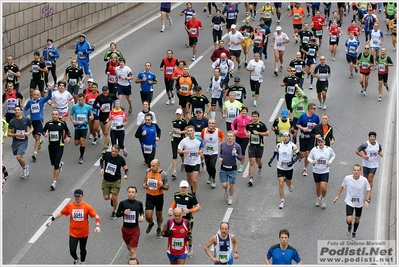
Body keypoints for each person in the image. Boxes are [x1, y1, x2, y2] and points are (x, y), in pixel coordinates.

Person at [46, 189, 101, 265]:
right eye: (75, 196)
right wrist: (51, 220)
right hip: (73, 233)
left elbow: (96, 216)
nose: (77, 198)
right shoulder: (70, 206)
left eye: (79, 196)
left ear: (82, 196)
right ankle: (76, 259)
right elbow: (61, 213)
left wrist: (97, 226)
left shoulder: (86, 206)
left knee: (83, 249)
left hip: (83, 233)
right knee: (72, 250)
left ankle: (82, 262)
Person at [333, 164, 371, 241]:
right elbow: (342, 186)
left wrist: (367, 200)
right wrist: (338, 196)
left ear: (360, 171)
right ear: (352, 171)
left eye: (358, 170)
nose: (356, 172)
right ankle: (349, 226)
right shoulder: (347, 178)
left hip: (359, 203)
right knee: (349, 220)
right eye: (355, 170)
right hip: (349, 201)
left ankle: (354, 232)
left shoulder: (364, 180)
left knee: (357, 220)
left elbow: (368, 189)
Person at [168, 180, 201, 257]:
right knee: (178, 232)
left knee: (188, 234)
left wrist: (190, 210)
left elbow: (198, 207)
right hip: (177, 219)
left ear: (188, 188)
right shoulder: (176, 195)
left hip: (188, 219)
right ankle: (179, 248)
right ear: (179, 188)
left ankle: (190, 246)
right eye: (182, 188)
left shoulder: (191, 197)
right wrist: (170, 209)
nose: (183, 189)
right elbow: (175, 202)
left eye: (185, 188)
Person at [268, 132, 300, 209]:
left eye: (287, 136)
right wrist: (270, 160)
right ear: (282, 138)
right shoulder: (279, 145)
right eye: (284, 136)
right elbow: (275, 153)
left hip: (289, 167)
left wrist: (292, 162)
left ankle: (290, 185)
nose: (285, 138)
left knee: (288, 182)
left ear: (289, 137)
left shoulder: (292, 145)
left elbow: (298, 154)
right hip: (280, 166)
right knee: (281, 182)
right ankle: (282, 200)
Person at [42, 110, 71, 190]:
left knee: (56, 164)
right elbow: (43, 130)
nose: (54, 116)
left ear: (58, 116)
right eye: (53, 114)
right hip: (51, 146)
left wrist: (69, 137)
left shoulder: (62, 123)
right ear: (51, 115)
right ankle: (60, 164)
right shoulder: (48, 123)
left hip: (59, 146)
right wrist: (44, 134)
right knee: (52, 162)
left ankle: (54, 182)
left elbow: (68, 131)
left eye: (56, 114)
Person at [100, 144, 129, 219]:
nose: (113, 153)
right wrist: (101, 168)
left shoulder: (121, 159)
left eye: (115, 152)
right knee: (106, 197)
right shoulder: (106, 155)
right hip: (106, 180)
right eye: (112, 151)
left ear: (118, 152)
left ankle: (114, 211)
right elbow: (101, 159)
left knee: (115, 197)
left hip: (116, 180)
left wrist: (126, 175)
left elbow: (126, 168)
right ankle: (112, 198)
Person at [116, 186, 144, 264]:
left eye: (133, 192)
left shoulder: (139, 203)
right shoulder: (123, 203)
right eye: (129, 192)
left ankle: (133, 262)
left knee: (132, 250)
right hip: (125, 229)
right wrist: (123, 213)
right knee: (129, 247)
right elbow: (117, 214)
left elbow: (141, 211)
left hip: (135, 229)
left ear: (136, 194)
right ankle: (133, 255)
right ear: (127, 193)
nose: (131, 194)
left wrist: (142, 216)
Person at [24, 89, 52, 161]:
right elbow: (25, 109)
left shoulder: (41, 100)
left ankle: (35, 153)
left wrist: (50, 89)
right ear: (33, 95)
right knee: (34, 135)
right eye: (34, 94)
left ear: (39, 95)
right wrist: (27, 115)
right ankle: (39, 142)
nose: (36, 96)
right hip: (32, 121)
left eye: (37, 95)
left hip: (39, 120)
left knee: (37, 136)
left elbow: (49, 97)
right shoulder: (30, 101)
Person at [143, 159, 169, 239]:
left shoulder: (163, 174)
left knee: (159, 214)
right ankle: (151, 223)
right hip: (149, 196)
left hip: (159, 197)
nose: (152, 167)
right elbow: (146, 179)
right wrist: (145, 184)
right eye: (151, 165)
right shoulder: (148, 171)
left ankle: (159, 228)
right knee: (148, 216)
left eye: (153, 166)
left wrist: (162, 186)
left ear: (158, 166)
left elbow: (167, 187)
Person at [307, 136, 336, 209]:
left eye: (321, 142)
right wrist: (312, 161)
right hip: (316, 170)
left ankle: (323, 198)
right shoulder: (314, 149)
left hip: (325, 171)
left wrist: (330, 161)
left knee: (323, 188)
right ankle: (318, 198)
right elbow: (309, 158)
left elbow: (333, 155)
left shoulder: (328, 149)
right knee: (317, 187)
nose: (320, 143)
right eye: (319, 142)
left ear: (324, 142)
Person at [178, 125, 204, 196]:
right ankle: (192, 187)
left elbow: (202, 147)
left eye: (191, 131)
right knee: (189, 177)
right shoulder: (184, 141)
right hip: (188, 162)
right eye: (188, 131)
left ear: (194, 131)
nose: (189, 132)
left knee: (194, 179)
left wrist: (200, 151)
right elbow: (178, 150)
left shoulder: (199, 139)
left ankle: (194, 193)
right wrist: (184, 151)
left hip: (196, 161)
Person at [7, 106, 33, 179]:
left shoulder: (26, 119)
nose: (17, 111)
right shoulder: (12, 121)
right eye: (15, 110)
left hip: (24, 141)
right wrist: (16, 134)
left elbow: (32, 128)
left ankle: (25, 168)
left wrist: (28, 133)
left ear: (21, 111)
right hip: (16, 141)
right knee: (19, 157)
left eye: (18, 110)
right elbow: (8, 134)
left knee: (18, 157)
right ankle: (25, 166)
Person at [245, 110, 269, 186]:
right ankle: (251, 179)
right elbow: (245, 129)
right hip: (251, 145)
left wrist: (258, 133)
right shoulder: (249, 124)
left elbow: (267, 133)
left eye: (256, 116)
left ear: (258, 117)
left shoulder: (261, 125)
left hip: (259, 146)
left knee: (258, 160)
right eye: (253, 116)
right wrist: (247, 134)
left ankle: (260, 166)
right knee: (252, 161)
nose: (254, 118)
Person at [355, 131, 383, 197]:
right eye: (371, 137)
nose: (372, 138)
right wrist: (364, 156)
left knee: (370, 179)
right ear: (369, 137)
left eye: (373, 137)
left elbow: (379, 150)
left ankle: (368, 195)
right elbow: (357, 151)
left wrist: (380, 153)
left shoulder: (378, 145)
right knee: (365, 179)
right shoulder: (365, 144)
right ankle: (362, 191)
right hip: (366, 164)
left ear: (375, 138)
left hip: (374, 164)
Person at [296, 103, 320, 176]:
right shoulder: (303, 116)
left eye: (315, 108)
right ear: (310, 109)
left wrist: (316, 126)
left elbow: (318, 127)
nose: (315, 110)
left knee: (308, 154)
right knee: (302, 154)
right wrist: (303, 128)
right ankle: (299, 156)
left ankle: (305, 168)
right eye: (314, 108)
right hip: (303, 137)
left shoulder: (316, 117)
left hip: (311, 138)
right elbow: (297, 124)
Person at [219, 130, 242, 204]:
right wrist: (220, 158)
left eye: (231, 136)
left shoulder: (237, 146)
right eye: (228, 136)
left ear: (233, 137)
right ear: (226, 137)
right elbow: (220, 153)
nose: (229, 137)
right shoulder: (223, 145)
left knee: (232, 184)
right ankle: (226, 189)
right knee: (224, 185)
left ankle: (230, 197)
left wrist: (235, 154)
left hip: (232, 168)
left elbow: (240, 158)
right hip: (224, 168)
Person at [93, 85, 118, 154]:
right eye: (103, 91)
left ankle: (104, 147)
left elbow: (117, 100)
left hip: (108, 116)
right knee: (104, 132)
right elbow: (94, 105)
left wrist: (117, 107)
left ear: (108, 91)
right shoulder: (99, 97)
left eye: (106, 90)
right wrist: (99, 107)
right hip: (101, 116)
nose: (104, 92)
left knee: (106, 132)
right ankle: (108, 140)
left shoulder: (111, 96)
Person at [70, 93, 94, 164]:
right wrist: (73, 120)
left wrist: (91, 117)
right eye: (79, 100)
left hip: (84, 126)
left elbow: (91, 114)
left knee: (82, 142)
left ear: (84, 99)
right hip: (77, 127)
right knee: (76, 143)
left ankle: (81, 157)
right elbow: (71, 115)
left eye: (82, 100)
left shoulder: (87, 107)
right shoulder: (75, 107)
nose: (80, 101)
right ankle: (82, 146)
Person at [201, 119, 225, 187]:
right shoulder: (204, 130)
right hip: (206, 151)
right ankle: (210, 176)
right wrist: (201, 145)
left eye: (212, 123)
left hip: (214, 151)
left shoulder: (218, 131)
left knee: (212, 165)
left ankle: (214, 179)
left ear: (215, 125)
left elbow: (222, 136)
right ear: (208, 124)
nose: (211, 124)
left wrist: (222, 141)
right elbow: (201, 138)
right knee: (208, 166)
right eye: (209, 123)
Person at [231, 107, 251, 173]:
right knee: (236, 150)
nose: (243, 112)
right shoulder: (238, 118)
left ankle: (241, 166)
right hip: (238, 136)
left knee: (242, 151)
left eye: (245, 111)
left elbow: (252, 126)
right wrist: (234, 131)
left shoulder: (249, 119)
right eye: (242, 111)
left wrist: (249, 132)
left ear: (247, 112)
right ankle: (233, 163)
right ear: (240, 112)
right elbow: (232, 124)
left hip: (245, 137)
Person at [169, 108, 187, 179]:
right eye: (177, 114)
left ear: (181, 114)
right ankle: (174, 171)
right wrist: (171, 132)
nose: (178, 115)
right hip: (174, 139)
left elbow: (186, 131)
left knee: (181, 153)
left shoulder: (183, 122)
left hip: (181, 140)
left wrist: (181, 132)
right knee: (174, 155)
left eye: (179, 114)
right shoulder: (173, 121)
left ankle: (183, 162)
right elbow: (174, 128)